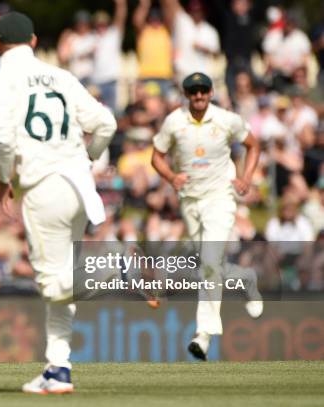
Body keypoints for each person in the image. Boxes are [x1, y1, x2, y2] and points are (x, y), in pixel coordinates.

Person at [0, 12, 117, 393]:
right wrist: (89, 157)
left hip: (43, 186)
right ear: (34, 40)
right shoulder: (61, 75)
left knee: (52, 284)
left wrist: (4, 181)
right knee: (62, 279)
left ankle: (113, 267)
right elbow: (106, 123)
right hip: (79, 188)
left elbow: (5, 140)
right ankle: (58, 368)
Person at [151, 72, 262, 361]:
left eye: (203, 91)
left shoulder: (227, 120)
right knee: (211, 265)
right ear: (187, 95)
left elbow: (254, 145)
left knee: (209, 262)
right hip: (190, 201)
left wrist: (246, 177)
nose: (198, 96)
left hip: (220, 198)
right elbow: (156, 156)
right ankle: (246, 279)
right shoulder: (174, 122)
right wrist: (171, 176)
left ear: (211, 92)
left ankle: (203, 334)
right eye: (193, 92)